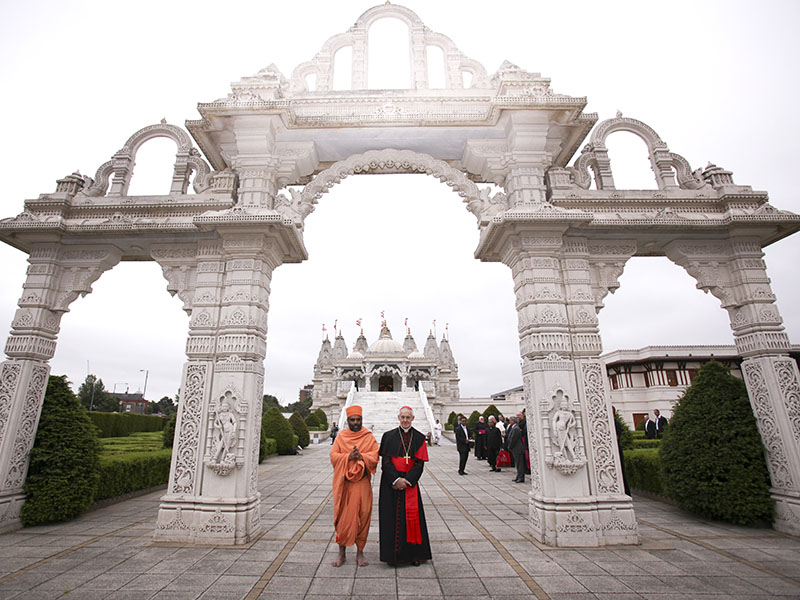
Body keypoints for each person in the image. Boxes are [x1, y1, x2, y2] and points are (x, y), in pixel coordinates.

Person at [378, 406, 432, 566]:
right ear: (398, 417)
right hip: (391, 484)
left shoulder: (420, 438)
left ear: (413, 418)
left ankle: (413, 555)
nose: (405, 420)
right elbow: (386, 461)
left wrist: (407, 480)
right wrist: (395, 480)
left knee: (413, 520)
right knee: (391, 519)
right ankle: (393, 557)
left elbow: (420, 464)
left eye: (408, 417)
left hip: (410, 484)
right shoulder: (388, 436)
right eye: (403, 417)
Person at [330, 405, 379, 567]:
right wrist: (348, 457)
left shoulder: (368, 436)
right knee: (343, 517)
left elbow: (375, 455)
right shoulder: (341, 437)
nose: (356, 422)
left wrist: (362, 457)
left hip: (362, 483)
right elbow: (333, 456)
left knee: (363, 515)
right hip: (345, 483)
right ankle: (341, 553)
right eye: (353, 420)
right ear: (348, 421)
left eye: (358, 420)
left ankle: (360, 552)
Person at [507, 416, 525, 483]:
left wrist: (510, 446)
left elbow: (513, 439)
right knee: (517, 463)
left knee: (519, 463)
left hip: (517, 448)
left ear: (514, 421)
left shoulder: (516, 429)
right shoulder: (514, 428)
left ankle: (521, 477)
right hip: (515, 448)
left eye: (511, 420)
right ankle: (518, 475)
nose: (509, 421)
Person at [517, 411, 530, 475]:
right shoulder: (519, 423)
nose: (518, 417)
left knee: (527, 456)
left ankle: (528, 469)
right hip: (522, 441)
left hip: (525, 441)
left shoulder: (524, 422)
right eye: (517, 416)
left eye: (519, 416)